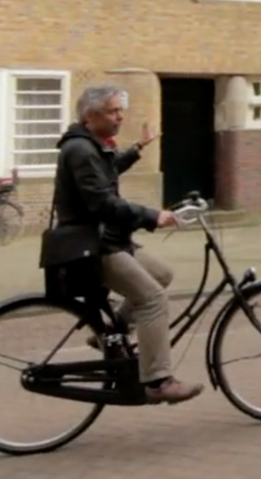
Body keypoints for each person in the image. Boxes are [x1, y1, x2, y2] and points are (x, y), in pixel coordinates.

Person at [48, 84, 204, 405]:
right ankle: (159, 381)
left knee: (161, 273)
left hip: (108, 239)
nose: (120, 116)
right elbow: (102, 203)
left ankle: (110, 333)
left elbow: (107, 170)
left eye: (121, 110)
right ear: (91, 116)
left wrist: (136, 149)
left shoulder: (90, 146)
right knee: (152, 300)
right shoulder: (79, 150)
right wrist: (152, 216)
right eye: (113, 111)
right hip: (93, 246)